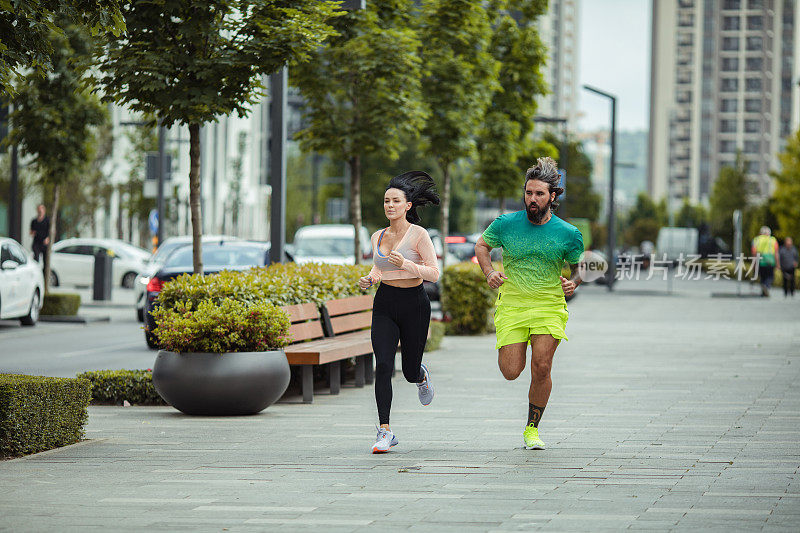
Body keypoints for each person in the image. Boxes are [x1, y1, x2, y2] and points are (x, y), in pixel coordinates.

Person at [474, 157, 584, 450]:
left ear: (553, 196)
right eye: (528, 193)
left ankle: (532, 429)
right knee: (511, 371)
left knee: (543, 366)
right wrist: (489, 272)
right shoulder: (506, 224)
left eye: (539, 194)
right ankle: (529, 420)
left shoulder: (568, 233)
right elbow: (482, 246)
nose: (532, 199)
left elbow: (579, 267)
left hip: (548, 305)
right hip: (512, 305)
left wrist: (574, 281)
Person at [358, 171, 440, 454]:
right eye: (386, 201)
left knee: (407, 371)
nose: (389, 205)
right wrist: (371, 278)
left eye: (395, 201)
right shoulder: (376, 236)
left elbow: (434, 273)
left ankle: (420, 376)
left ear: (407, 206)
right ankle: (385, 430)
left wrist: (407, 264)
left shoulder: (419, 235)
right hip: (385, 304)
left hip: (414, 304)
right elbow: (380, 267)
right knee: (382, 365)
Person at [751, 226, 780, 297]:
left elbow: (754, 252)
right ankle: (766, 286)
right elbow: (776, 253)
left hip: (760, 261)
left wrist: (754, 263)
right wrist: (778, 263)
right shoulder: (773, 240)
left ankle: (763, 289)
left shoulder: (756, 240)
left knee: (762, 276)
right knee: (770, 276)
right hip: (770, 261)